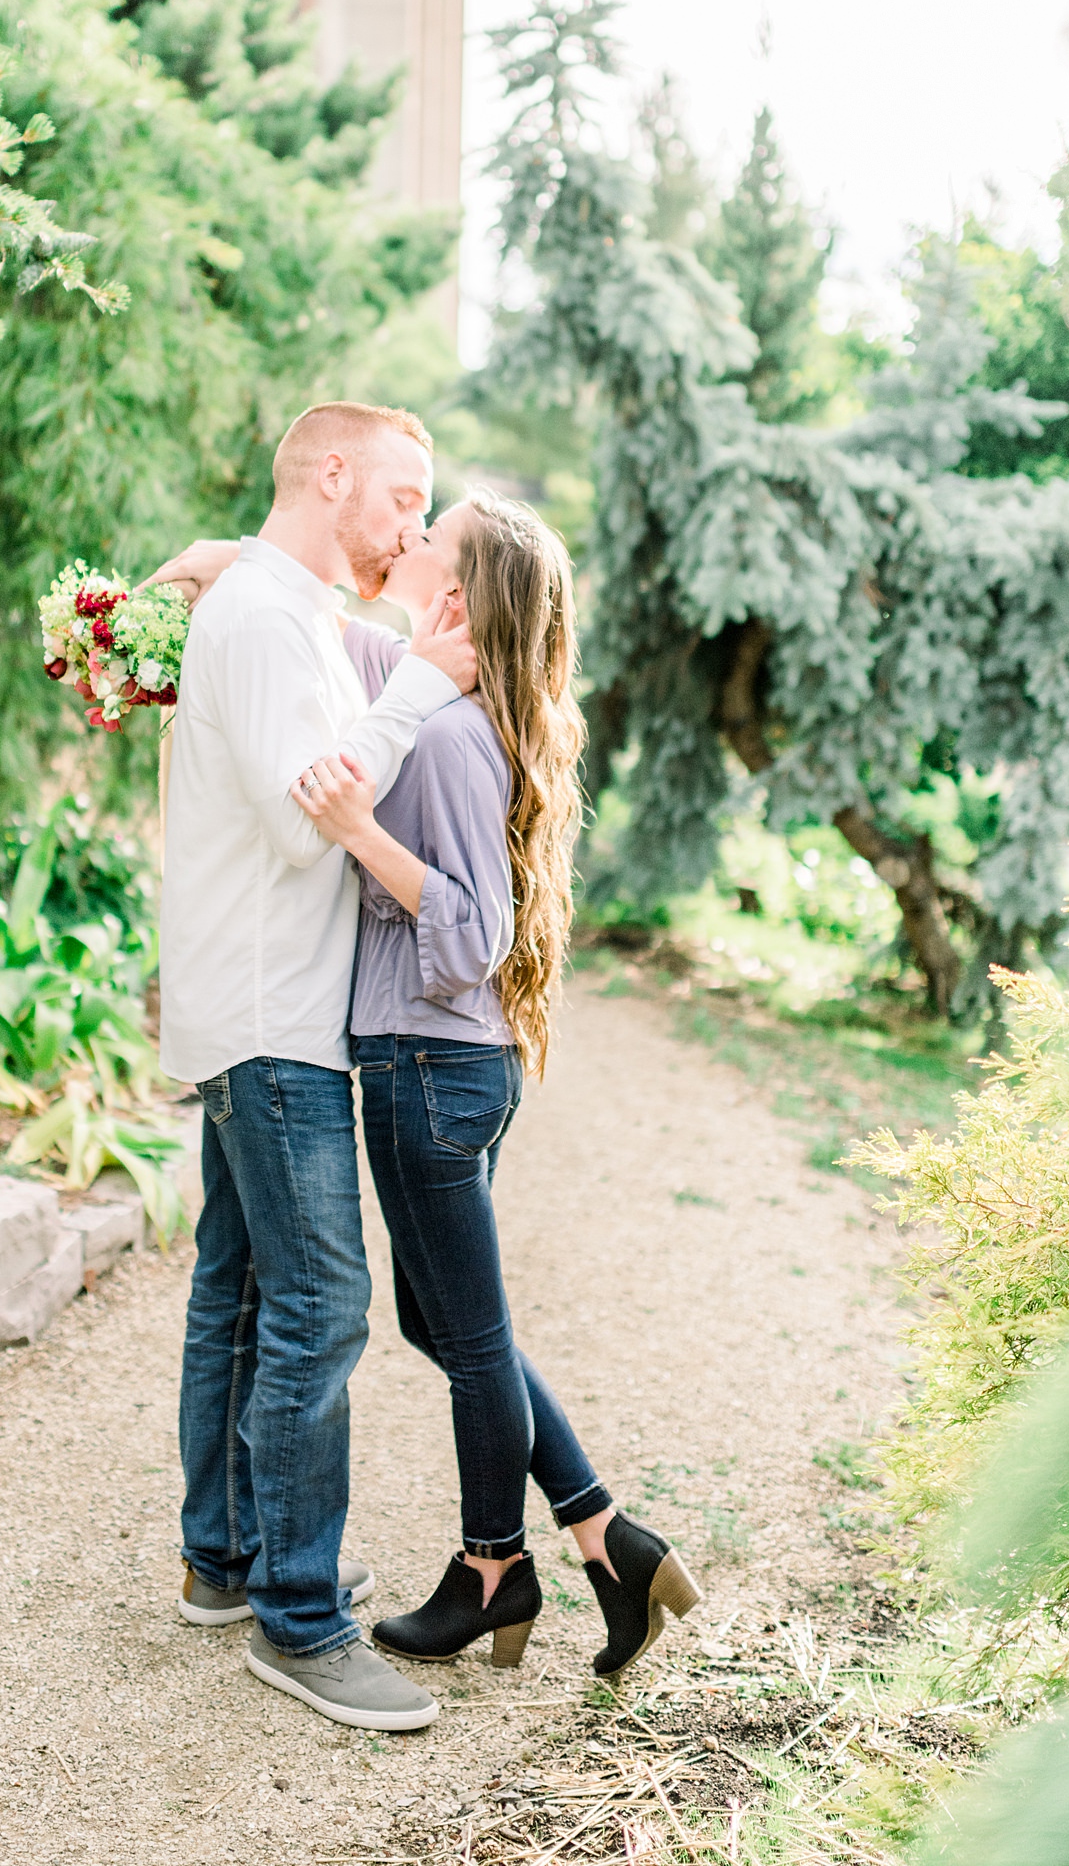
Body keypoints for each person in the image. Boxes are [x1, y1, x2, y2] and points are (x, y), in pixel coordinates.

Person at [289, 490, 702, 1675]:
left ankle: (492, 1570)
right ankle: (606, 1536)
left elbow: (473, 930)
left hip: (428, 1066)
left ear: (460, 595)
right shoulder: (438, 694)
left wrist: (357, 830)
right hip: (444, 1066)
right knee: (449, 1321)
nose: (407, 543)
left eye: (431, 537)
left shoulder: (455, 737)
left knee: (470, 1339)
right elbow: (341, 631)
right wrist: (231, 566)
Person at [154, 401, 477, 1734]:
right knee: (324, 1305)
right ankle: (299, 1620)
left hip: (251, 1007)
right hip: (273, 1019)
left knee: (237, 1289)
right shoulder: (270, 620)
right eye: (402, 496)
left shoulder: (277, 608)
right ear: (330, 474)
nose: (411, 524)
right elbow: (312, 822)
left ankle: (224, 1559)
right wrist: (422, 691)